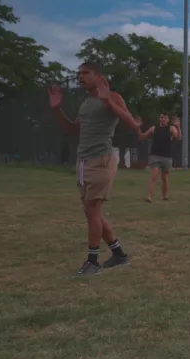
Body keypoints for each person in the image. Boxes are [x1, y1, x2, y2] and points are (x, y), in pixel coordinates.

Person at [47, 62, 137, 275]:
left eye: (85, 73)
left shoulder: (113, 97)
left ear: (99, 76)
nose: (80, 77)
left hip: (101, 160)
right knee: (91, 212)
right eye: (78, 73)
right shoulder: (86, 102)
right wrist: (57, 109)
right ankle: (119, 255)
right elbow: (73, 130)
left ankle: (93, 262)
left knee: (93, 210)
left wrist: (109, 102)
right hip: (83, 161)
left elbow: (132, 123)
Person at [138, 113, 181, 202]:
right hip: (155, 156)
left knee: (164, 177)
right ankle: (149, 197)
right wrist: (137, 127)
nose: (163, 119)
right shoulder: (154, 128)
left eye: (165, 117)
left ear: (168, 120)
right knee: (154, 176)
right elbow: (142, 137)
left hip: (167, 156)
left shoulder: (171, 128)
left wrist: (178, 127)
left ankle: (165, 196)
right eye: (161, 117)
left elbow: (179, 137)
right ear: (159, 119)